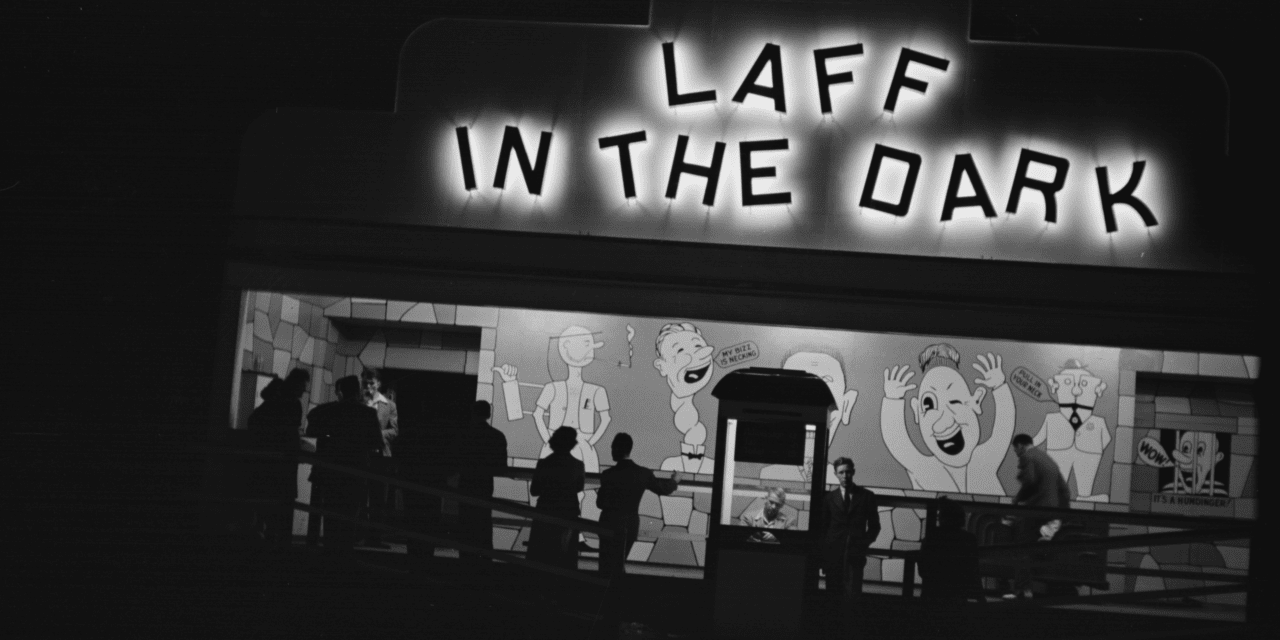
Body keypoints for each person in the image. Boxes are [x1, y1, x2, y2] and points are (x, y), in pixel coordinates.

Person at [305, 375, 383, 557]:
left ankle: (329, 553)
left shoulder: (327, 411)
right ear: (357, 391)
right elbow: (377, 443)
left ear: (341, 391)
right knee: (350, 516)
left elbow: (311, 428)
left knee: (331, 515)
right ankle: (344, 556)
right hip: (355, 471)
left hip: (331, 471)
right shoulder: (368, 414)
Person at [596, 433, 682, 578]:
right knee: (619, 563)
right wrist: (675, 480)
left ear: (616, 449)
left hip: (608, 524)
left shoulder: (607, 474)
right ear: (629, 449)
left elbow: (600, 503)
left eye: (612, 448)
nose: (611, 451)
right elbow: (663, 489)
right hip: (629, 526)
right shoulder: (643, 473)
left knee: (605, 566)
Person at [247, 368, 309, 550]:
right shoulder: (293, 404)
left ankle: (266, 537)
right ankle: (279, 544)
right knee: (284, 503)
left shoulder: (273, 398)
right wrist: (298, 451)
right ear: (297, 384)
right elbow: (292, 434)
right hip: (284, 462)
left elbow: (255, 419)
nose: (304, 390)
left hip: (265, 459)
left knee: (266, 502)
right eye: (303, 386)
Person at [1007, 433, 1071, 598]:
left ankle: (1023, 590)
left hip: (1037, 509)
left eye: (1016, 451)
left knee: (1021, 547)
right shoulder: (1046, 458)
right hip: (1052, 511)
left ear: (1020, 446)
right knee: (1031, 547)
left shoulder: (1027, 456)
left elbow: (1029, 481)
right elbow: (1064, 488)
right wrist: (1060, 515)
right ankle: (1046, 534)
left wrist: (1017, 500)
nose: (1017, 455)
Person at [456, 400, 508, 570]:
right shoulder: (497, 436)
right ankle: (484, 561)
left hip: (466, 482)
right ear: (488, 414)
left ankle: (466, 560)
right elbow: (501, 466)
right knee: (483, 522)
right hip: (485, 483)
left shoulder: (464, 434)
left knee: (466, 522)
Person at [528, 427, 586, 572]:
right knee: (565, 556)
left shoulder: (544, 463)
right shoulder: (578, 465)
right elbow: (579, 487)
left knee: (541, 555)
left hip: (545, 512)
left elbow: (535, 490)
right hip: (568, 513)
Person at [823, 457, 881, 600]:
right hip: (833, 556)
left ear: (853, 472)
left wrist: (862, 544)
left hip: (855, 555)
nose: (845, 476)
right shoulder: (829, 498)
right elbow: (823, 528)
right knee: (832, 597)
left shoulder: (867, 496)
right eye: (841, 472)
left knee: (853, 597)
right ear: (835, 474)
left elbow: (875, 526)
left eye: (848, 472)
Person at [359, 368, 398, 548]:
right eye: (365, 383)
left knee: (377, 498)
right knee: (360, 496)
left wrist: (377, 434)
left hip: (381, 454)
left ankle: (374, 537)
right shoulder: (359, 403)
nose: (368, 386)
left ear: (378, 384)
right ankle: (359, 534)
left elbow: (395, 430)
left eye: (371, 383)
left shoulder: (388, 405)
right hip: (361, 453)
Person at [919, 497, 981, 604]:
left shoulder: (931, 538)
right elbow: (973, 571)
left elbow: (923, 570)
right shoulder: (969, 539)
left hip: (931, 595)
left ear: (942, 518)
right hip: (958, 596)